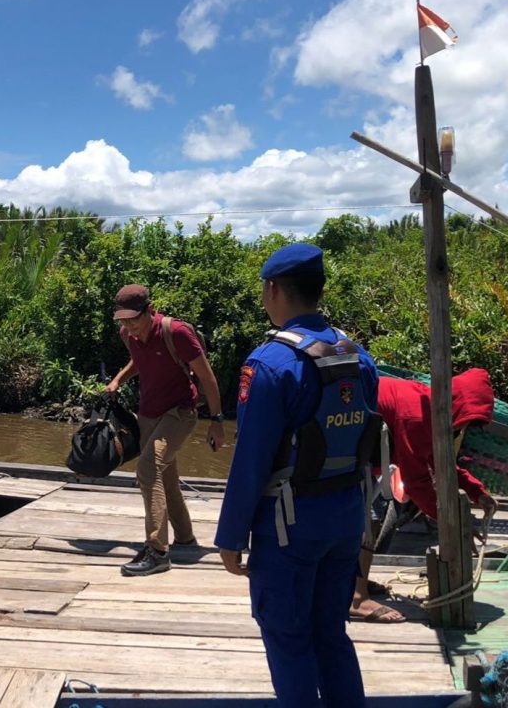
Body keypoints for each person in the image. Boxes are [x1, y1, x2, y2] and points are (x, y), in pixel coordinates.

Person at [215, 243, 379, 707]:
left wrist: (231, 537)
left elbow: (251, 459)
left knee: (288, 639)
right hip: (345, 519)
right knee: (331, 634)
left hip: (289, 527)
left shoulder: (269, 363)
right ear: (319, 290)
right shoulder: (358, 357)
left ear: (272, 289)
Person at [350, 368, 498, 623]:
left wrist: (478, 492)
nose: (462, 429)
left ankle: (353, 578)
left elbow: (440, 460)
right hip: (349, 449)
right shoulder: (416, 415)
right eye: (464, 422)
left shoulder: (430, 407)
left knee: (369, 516)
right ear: (455, 405)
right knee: (368, 519)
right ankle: (356, 597)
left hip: (364, 453)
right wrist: (451, 524)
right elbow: (416, 481)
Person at [106, 284, 225, 577]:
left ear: (149, 310)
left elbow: (207, 377)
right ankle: (184, 537)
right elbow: (140, 360)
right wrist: (118, 380)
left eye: (134, 319)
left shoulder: (177, 332)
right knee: (166, 478)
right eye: (123, 320)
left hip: (179, 413)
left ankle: (157, 551)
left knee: (148, 469)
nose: (129, 326)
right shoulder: (128, 334)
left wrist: (217, 420)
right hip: (148, 415)